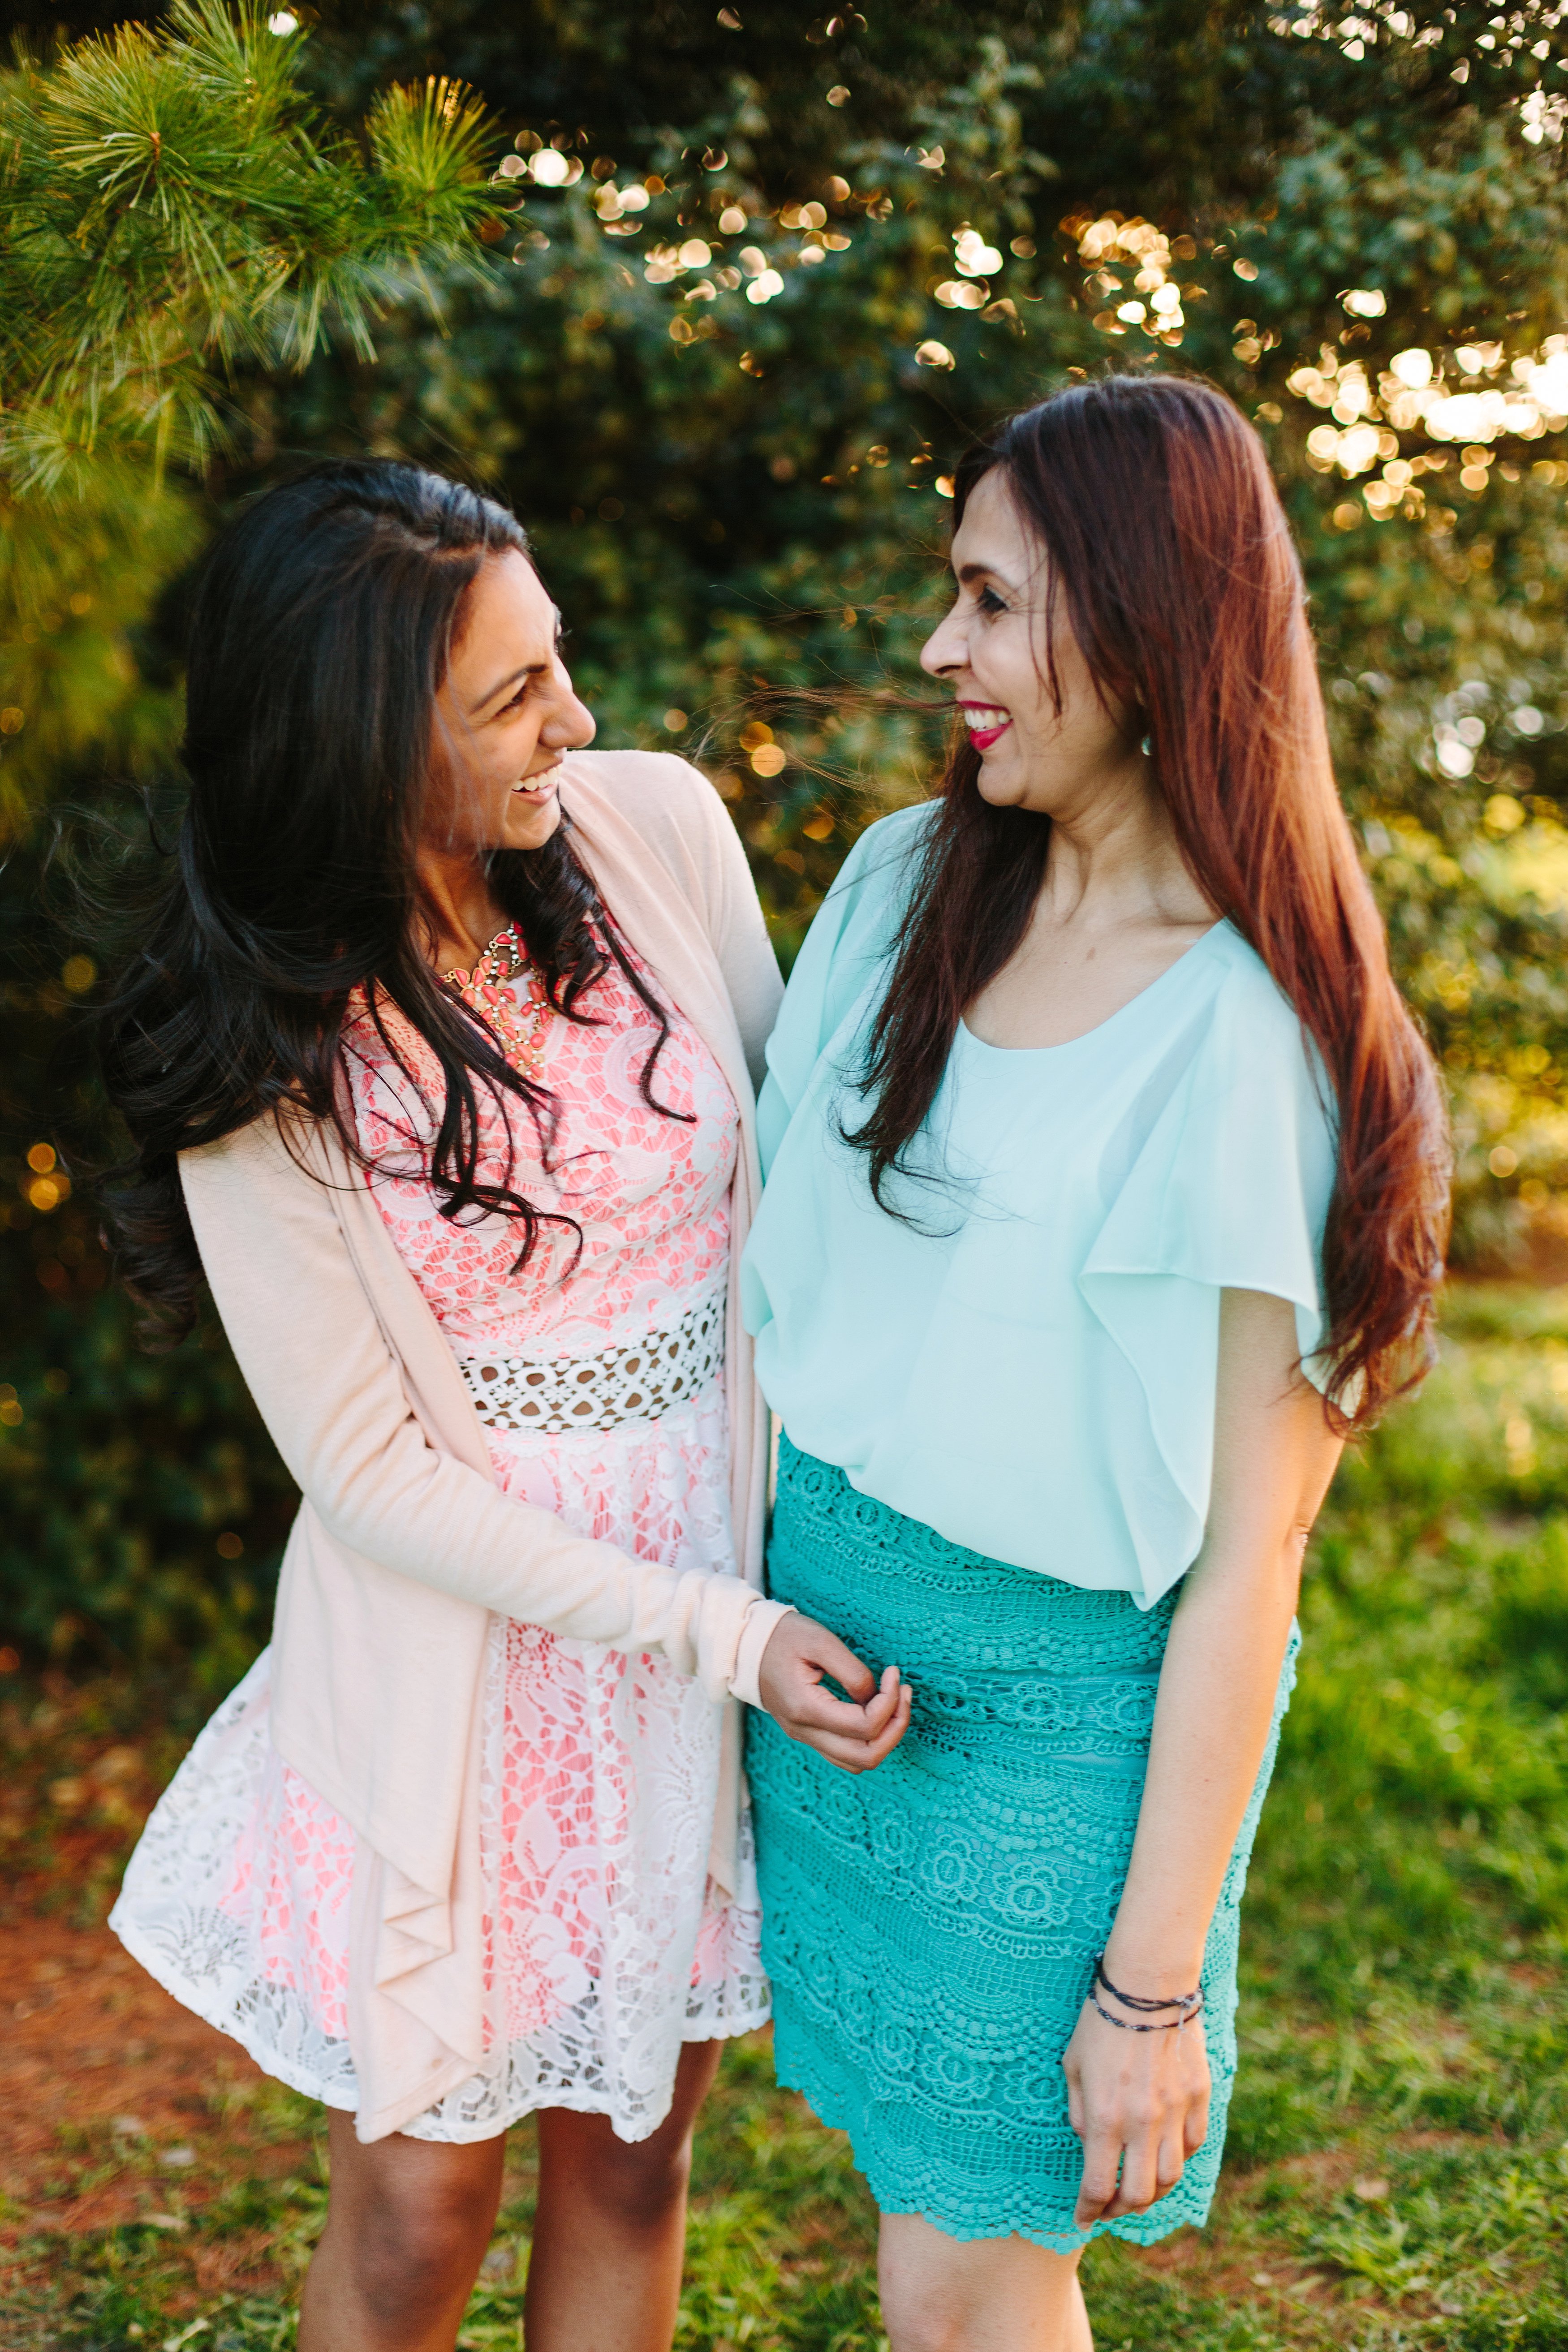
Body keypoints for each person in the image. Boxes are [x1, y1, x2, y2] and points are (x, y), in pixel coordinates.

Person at [97, 461, 909, 2352]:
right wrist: (727, 1627)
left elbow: (799, 1191)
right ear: (361, 742)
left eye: (557, 659)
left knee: (632, 2159)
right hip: (462, 1657)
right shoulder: (265, 1039)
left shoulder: (658, 838)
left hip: (709, 1622)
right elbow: (367, 1465)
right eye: (513, 696)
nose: (580, 717)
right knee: (417, 2199)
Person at [741, 375, 1450, 2352]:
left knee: (969, 2281)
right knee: (919, 2227)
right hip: (821, 1675)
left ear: (1143, 626)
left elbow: (1252, 1560)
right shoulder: (903, 883)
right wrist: (742, 1624)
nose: (933, 649)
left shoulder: (1255, 1038)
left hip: (1055, 1745)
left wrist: (1145, 1988)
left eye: (985, 600)